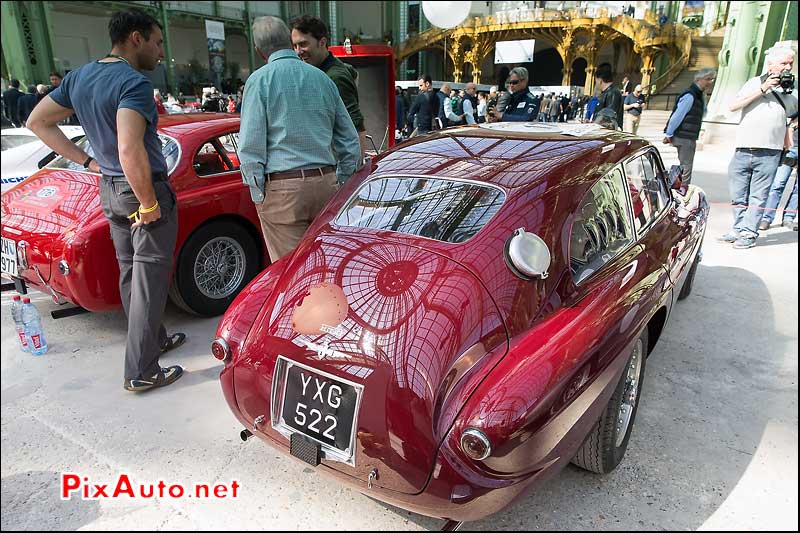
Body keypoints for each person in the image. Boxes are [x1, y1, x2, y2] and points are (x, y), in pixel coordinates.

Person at [27, 9, 186, 392]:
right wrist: (149, 203)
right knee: (149, 279)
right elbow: (130, 148)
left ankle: (155, 340)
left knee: (133, 273)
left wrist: (87, 161)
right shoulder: (132, 83)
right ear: (136, 38)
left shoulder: (80, 76)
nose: (161, 51)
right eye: (157, 41)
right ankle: (141, 370)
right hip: (139, 190)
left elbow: (38, 121)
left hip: (111, 189)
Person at [239, 16, 360, 261]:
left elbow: (250, 147)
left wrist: (258, 195)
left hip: (283, 189)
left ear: (259, 51)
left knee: (290, 272)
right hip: (325, 183)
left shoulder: (259, 81)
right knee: (324, 262)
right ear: (289, 41)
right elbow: (350, 139)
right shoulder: (323, 79)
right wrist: (343, 182)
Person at [719, 47, 797, 249]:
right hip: (743, 148)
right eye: (784, 63)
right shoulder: (754, 83)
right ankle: (737, 229)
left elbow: (794, 112)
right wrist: (763, 88)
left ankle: (748, 233)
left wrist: (790, 128)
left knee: (758, 196)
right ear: (770, 64)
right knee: (738, 194)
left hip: (769, 151)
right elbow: (733, 106)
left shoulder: (791, 88)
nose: (788, 67)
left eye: (791, 63)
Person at [290, 15, 366, 157]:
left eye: (303, 44)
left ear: (322, 42)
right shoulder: (321, 72)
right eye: (295, 46)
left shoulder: (335, 77)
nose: (298, 51)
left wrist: (353, 175)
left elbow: (356, 127)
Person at [662, 68, 716, 184]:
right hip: (685, 136)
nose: (710, 82)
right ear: (698, 79)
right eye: (708, 79)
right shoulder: (690, 95)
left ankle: (675, 188)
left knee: (684, 165)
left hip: (688, 135)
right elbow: (677, 116)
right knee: (686, 166)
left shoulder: (699, 95)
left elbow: (702, 113)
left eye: (711, 79)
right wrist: (669, 133)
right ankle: (681, 190)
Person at [760, 121, 798, 230]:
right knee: (778, 184)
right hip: (792, 150)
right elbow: (790, 126)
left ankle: (788, 218)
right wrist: (790, 146)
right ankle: (766, 218)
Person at [594, 63, 623, 129]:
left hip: (608, 134)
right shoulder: (606, 93)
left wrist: (595, 124)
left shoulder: (613, 93)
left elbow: (608, 119)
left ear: (600, 80)